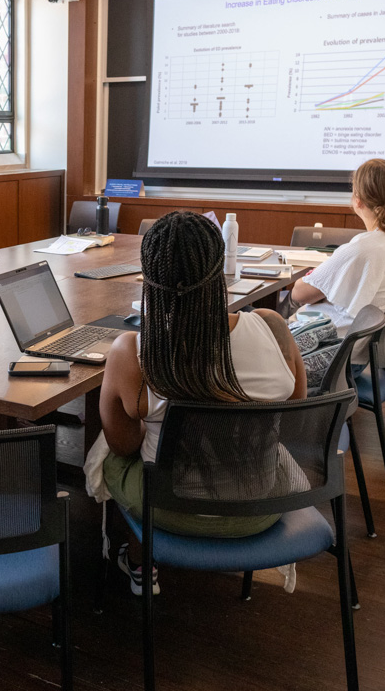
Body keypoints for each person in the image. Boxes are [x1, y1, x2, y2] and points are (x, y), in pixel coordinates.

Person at [97, 211, 308, 595]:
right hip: (260, 507)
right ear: (221, 273)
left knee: (107, 456)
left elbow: (122, 446)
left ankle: (140, 559)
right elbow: (294, 411)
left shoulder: (134, 351)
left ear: (148, 280)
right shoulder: (273, 328)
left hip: (169, 511)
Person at [289, 158, 385, 339]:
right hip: (366, 350)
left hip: (324, 344)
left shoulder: (364, 248)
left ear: (358, 200)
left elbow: (299, 293)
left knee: (253, 316)